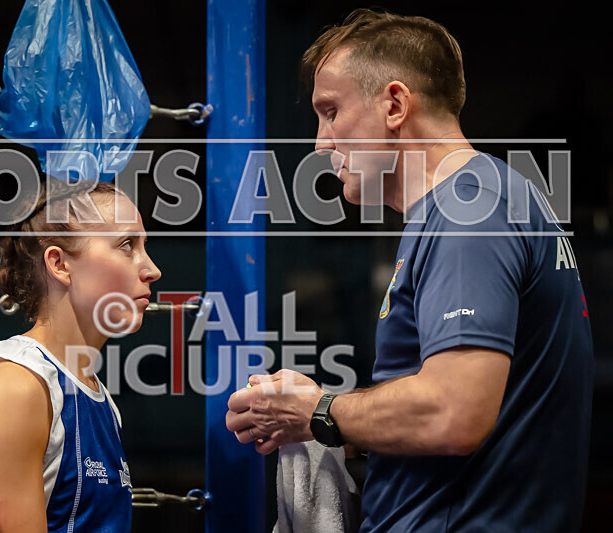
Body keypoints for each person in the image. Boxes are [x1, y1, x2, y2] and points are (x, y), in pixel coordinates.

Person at [226, 8, 593, 532]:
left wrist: (319, 411)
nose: (320, 142)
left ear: (395, 105)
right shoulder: (486, 201)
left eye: (331, 111)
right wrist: (321, 420)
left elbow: (453, 413)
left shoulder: (468, 212)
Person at [0, 178, 161, 532]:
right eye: (127, 245)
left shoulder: (95, 397)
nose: (152, 270)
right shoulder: (8, 388)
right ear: (60, 264)